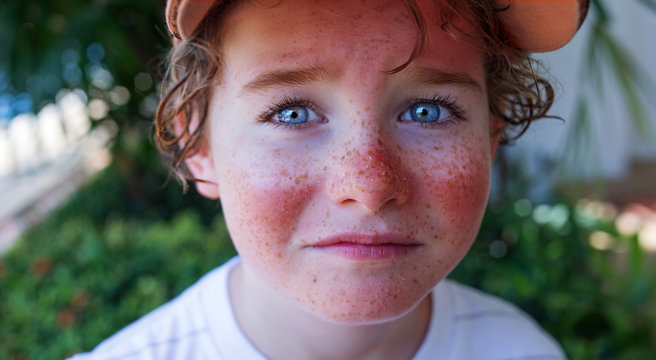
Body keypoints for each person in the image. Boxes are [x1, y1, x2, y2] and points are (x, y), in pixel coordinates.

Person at [71, 0, 589, 359]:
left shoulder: (525, 352)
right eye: (292, 113)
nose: (368, 186)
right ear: (199, 147)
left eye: (429, 111)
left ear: (489, 140)